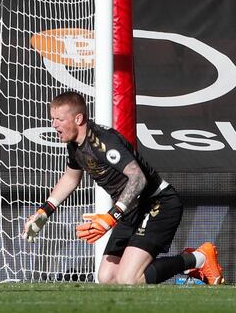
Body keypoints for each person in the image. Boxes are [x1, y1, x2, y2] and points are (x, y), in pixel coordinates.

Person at [23, 91, 224, 285]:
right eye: (52, 119)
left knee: (129, 279)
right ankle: (192, 262)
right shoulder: (74, 146)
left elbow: (138, 179)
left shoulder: (103, 142)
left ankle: (197, 258)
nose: (54, 125)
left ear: (78, 119)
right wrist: (44, 212)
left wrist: (111, 216)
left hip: (158, 203)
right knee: (107, 277)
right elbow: (70, 178)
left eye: (59, 119)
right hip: (131, 210)